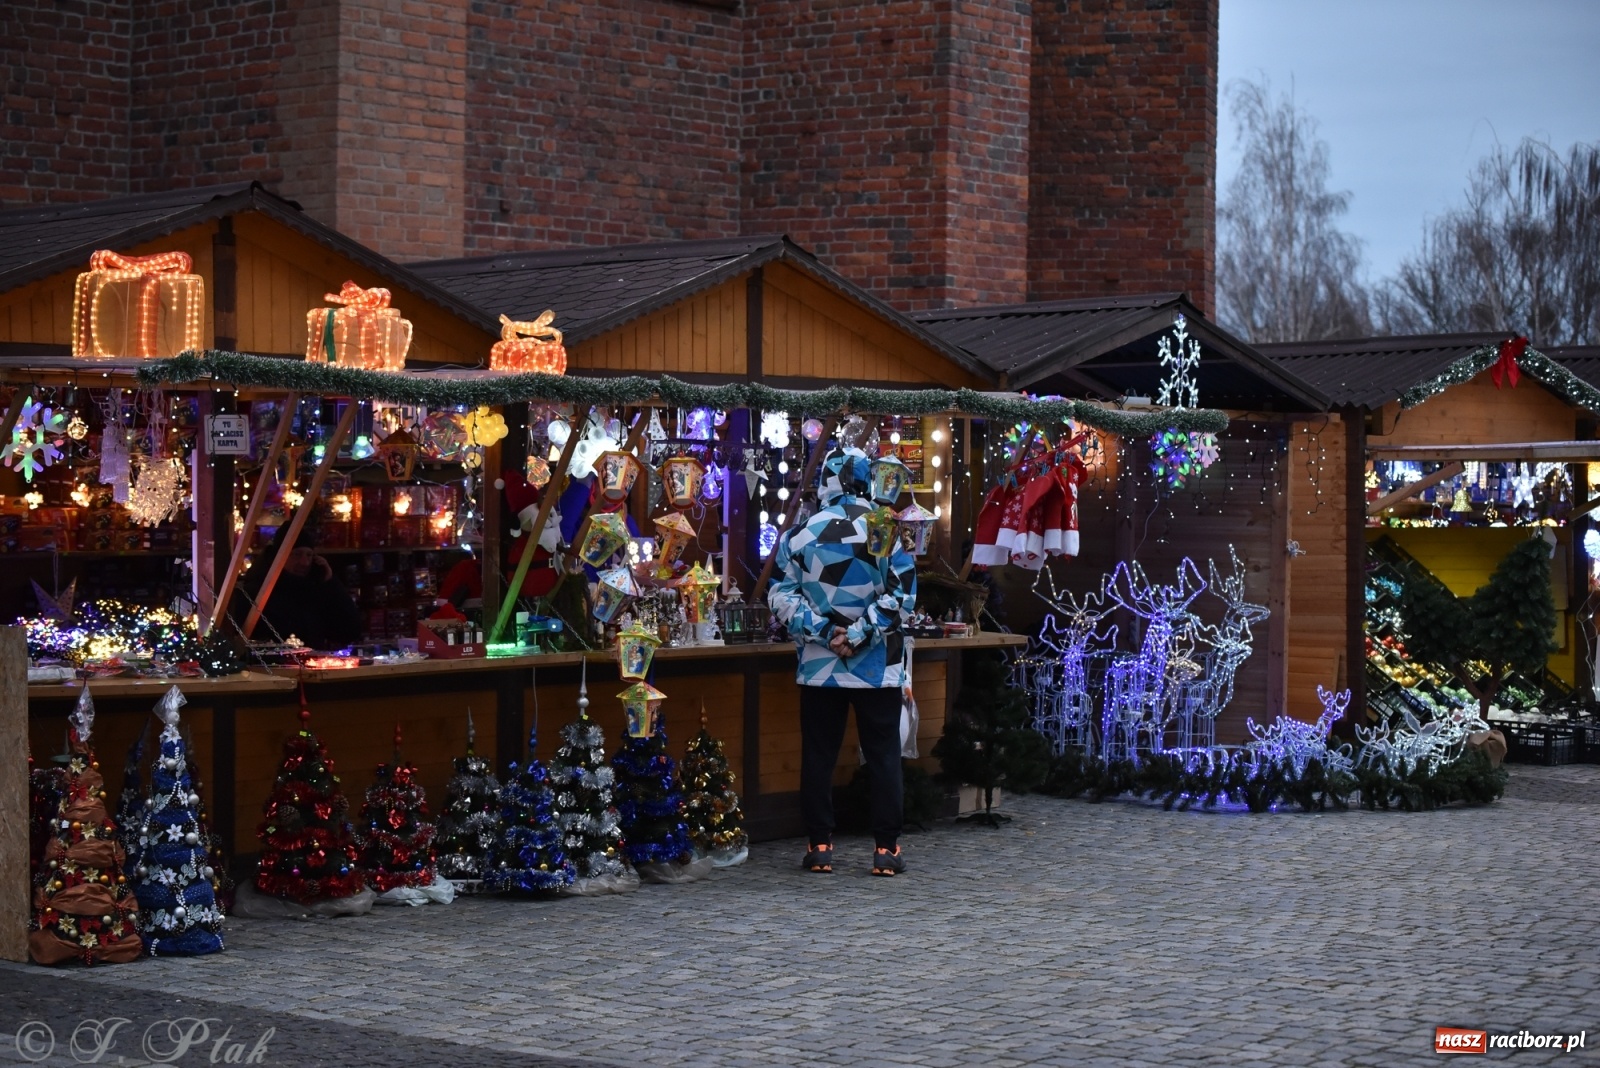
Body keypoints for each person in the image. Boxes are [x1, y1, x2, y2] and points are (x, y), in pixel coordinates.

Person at [768, 448, 918, 877]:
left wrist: (823, 632)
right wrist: (859, 632)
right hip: (879, 666)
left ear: (826, 482)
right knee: (884, 756)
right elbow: (903, 597)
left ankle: (819, 845)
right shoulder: (887, 528)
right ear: (868, 479)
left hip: (819, 666)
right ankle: (886, 851)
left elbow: (780, 596)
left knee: (819, 755)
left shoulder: (799, 534)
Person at [236, 522, 363, 650]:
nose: (304, 562)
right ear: (279, 557)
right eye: (296, 554)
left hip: (312, 665)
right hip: (274, 667)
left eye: (309, 555)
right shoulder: (257, 591)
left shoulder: (315, 589)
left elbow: (350, 630)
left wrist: (330, 583)